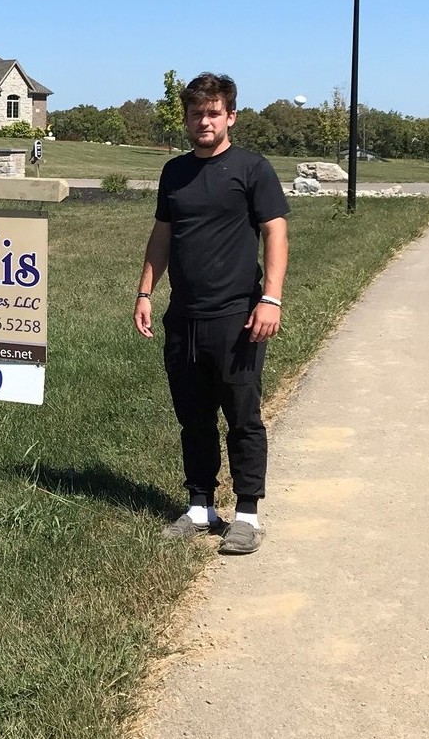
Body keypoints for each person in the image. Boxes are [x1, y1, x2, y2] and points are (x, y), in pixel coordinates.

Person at [134, 73, 289, 555]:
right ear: (186, 118)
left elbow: (275, 232)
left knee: (242, 416)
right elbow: (162, 236)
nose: (205, 121)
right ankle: (200, 506)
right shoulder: (174, 173)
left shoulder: (252, 169)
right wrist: (145, 292)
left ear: (230, 117)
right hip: (184, 318)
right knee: (193, 417)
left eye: (214, 112)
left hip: (236, 317)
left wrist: (270, 298)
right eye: (197, 113)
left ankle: (246, 514)